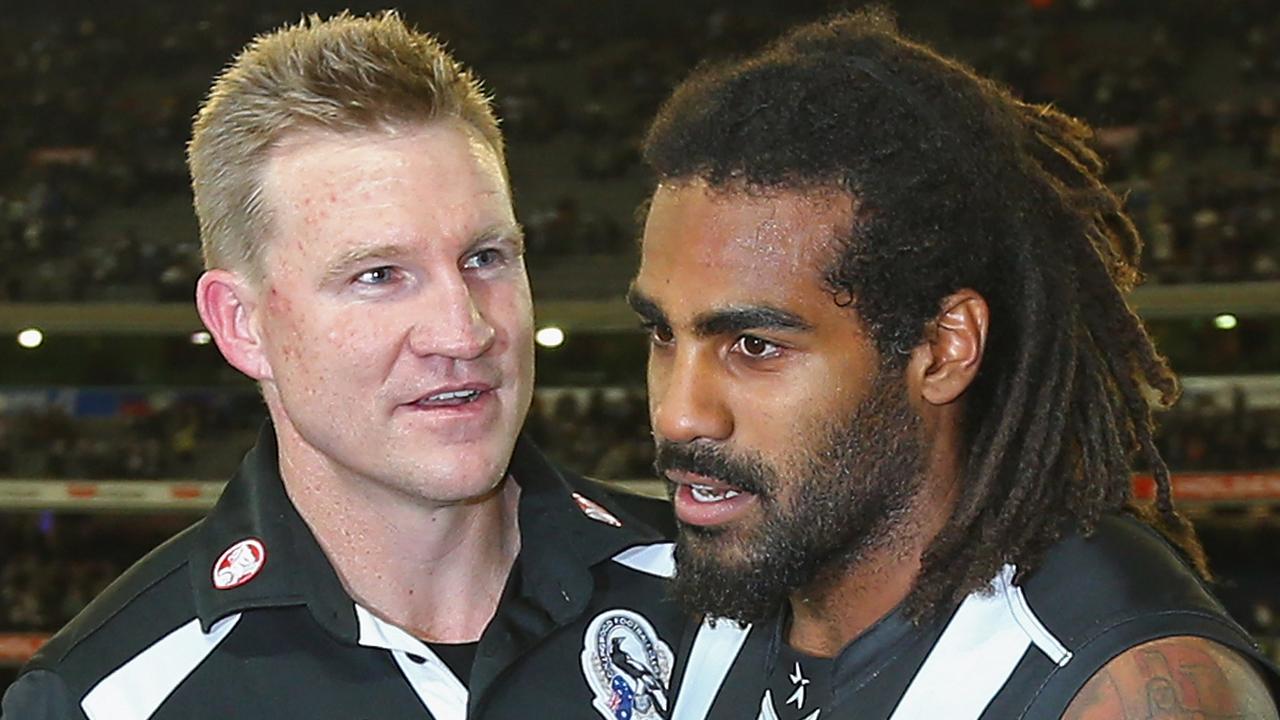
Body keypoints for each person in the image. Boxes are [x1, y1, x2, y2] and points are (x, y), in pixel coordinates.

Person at [2, 12, 681, 720]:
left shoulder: (729, 605)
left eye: (485, 259)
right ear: (242, 324)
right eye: (379, 275)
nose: (465, 330)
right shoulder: (107, 699)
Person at [628, 9, 1280, 719]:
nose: (679, 412)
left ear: (943, 348)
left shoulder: (1125, 689)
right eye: (662, 335)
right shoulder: (681, 618)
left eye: (755, 346)